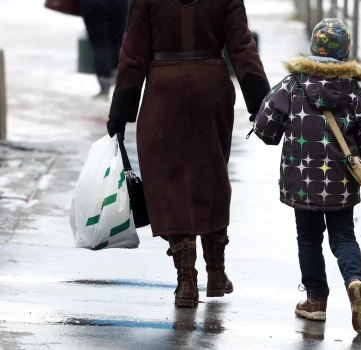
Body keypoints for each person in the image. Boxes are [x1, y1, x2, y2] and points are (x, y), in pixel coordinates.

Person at [106, 0, 270, 308]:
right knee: (212, 175)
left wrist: (120, 111)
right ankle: (217, 274)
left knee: (168, 182)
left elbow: (133, 55)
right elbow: (241, 47)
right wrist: (260, 101)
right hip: (211, 90)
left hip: (163, 92)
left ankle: (186, 283)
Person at [253, 19, 361, 334]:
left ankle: (315, 302)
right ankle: (355, 281)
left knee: (308, 239)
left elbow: (265, 127)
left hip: (302, 180)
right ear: (347, 51)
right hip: (340, 181)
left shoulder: (292, 85)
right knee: (343, 237)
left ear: (313, 48)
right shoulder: (356, 93)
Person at [80, 0, 128, 99]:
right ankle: (118, 86)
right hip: (119, 3)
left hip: (93, 4)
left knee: (100, 45)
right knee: (117, 42)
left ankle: (104, 90)